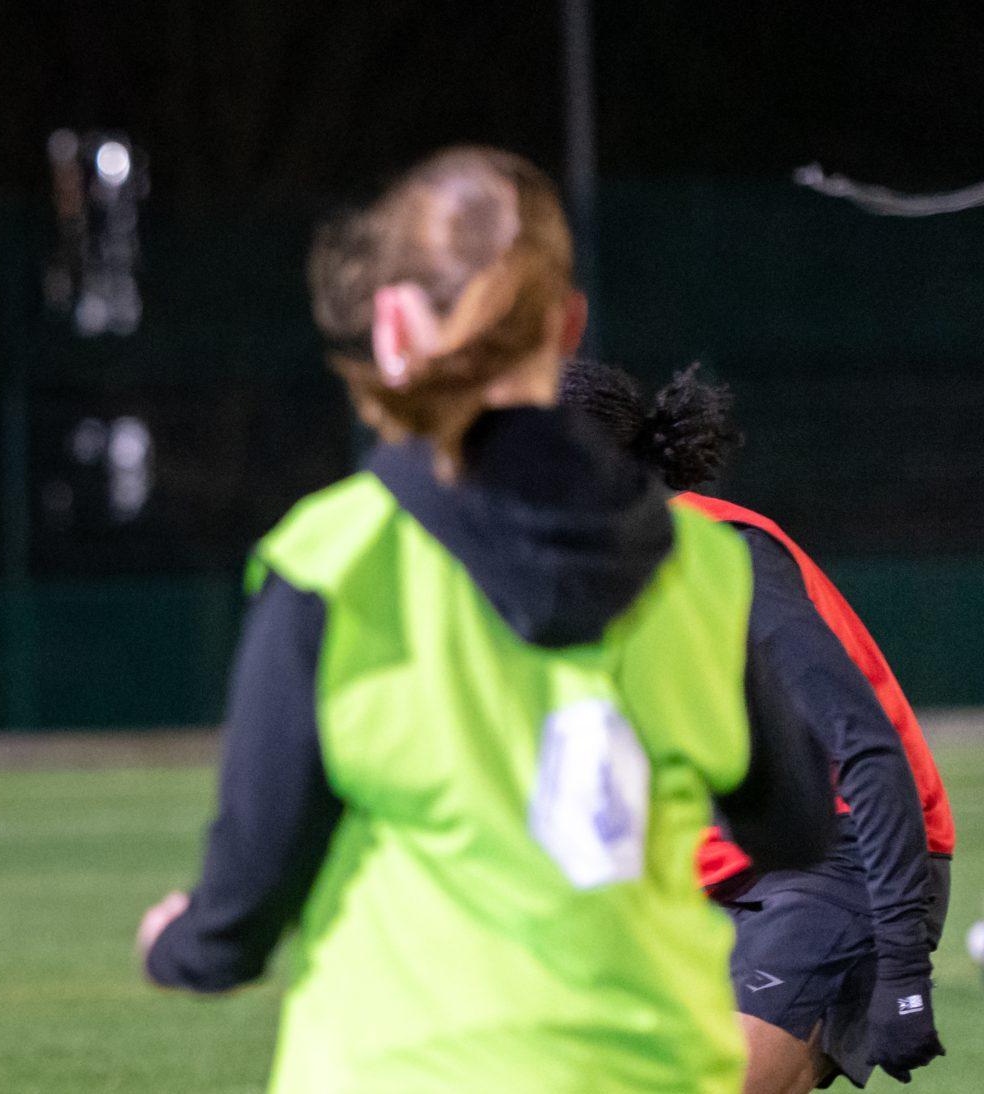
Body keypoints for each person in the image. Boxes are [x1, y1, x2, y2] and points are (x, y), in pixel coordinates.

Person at [134, 146, 837, 1092]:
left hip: (405, 1064)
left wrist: (180, 944)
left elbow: (246, 902)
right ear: (567, 325)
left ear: (391, 327)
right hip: (645, 1066)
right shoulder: (698, 569)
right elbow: (794, 829)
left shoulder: (336, 560)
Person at [563, 360, 951, 1090]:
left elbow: (867, 749)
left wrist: (903, 969)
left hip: (844, 859)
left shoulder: (718, 554)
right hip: (715, 881)